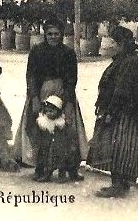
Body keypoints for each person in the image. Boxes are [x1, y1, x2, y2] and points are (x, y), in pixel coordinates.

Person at [14, 18, 87, 183]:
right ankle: (41, 168)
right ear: (45, 35)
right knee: (41, 129)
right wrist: (33, 97)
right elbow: (31, 75)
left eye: (56, 34)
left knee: (68, 129)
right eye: (49, 34)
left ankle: (70, 168)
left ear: (61, 35)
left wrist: (68, 101)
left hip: (63, 93)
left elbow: (72, 78)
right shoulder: (37, 51)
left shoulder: (68, 53)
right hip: (42, 93)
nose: (53, 37)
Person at [88, 25, 138, 198]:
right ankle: (121, 183)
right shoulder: (124, 60)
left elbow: (121, 91)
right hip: (121, 111)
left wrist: (110, 112)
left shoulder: (128, 62)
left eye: (112, 40)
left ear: (120, 43)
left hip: (122, 113)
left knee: (119, 148)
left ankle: (118, 185)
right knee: (120, 147)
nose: (108, 43)